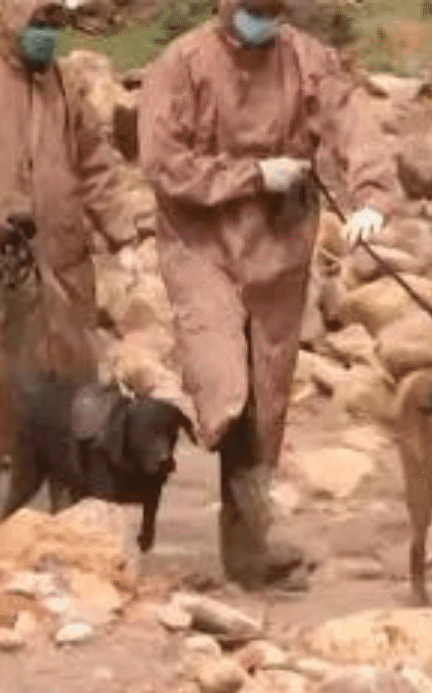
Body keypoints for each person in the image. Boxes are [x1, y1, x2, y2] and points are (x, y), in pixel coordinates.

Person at [138, 0, 397, 589]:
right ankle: (142, 466)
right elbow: (162, 163)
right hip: (201, 245)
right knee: (223, 382)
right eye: (255, 10)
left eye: (274, 11)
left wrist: (372, 198)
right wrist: (253, 175)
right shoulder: (180, 65)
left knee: (267, 400)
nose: (265, 21)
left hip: (280, 249)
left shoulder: (307, 59)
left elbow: (354, 126)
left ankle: (247, 551)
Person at [0, 0, 143, 459]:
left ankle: (68, 463)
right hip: (9, 257)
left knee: (73, 361)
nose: (46, 35)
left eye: (52, 25)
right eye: (36, 24)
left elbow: (95, 164)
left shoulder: (62, 83)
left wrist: (122, 236)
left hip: (64, 253)